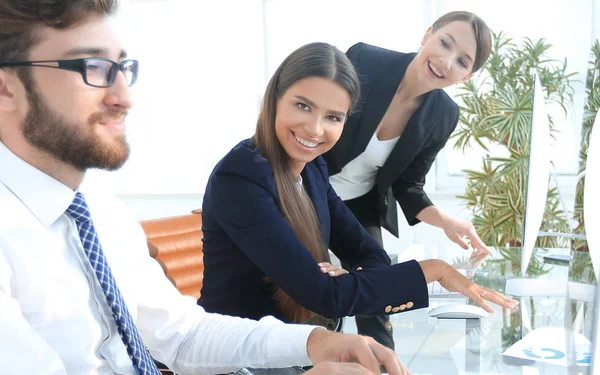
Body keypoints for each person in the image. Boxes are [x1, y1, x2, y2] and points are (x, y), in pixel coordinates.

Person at [0, 1, 409, 374]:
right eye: (91, 67)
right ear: (6, 87)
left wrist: (316, 343)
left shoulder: (100, 212)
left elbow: (183, 334)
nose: (125, 97)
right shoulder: (243, 173)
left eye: (123, 69)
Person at [199, 42, 518, 341]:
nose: (315, 129)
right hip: (240, 353)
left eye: (333, 117)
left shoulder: (312, 169)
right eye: (303, 106)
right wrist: (434, 270)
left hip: (299, 346)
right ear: (274, 99)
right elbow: (326, 296)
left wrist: (348, 281)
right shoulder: (240, 177)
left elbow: (369, 254)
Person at [321, 11, 494, 349]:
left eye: (461, 61)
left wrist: (448, 222)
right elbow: (303, 122)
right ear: (428, 33)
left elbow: (408, 184)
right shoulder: (363, 60)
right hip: (307, 188)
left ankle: (385, 363)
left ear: (466, 76)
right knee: (312, 283)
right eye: (444, 43)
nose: (445, 61)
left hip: (360, 203)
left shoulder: (444, 115)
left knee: (378, 278)